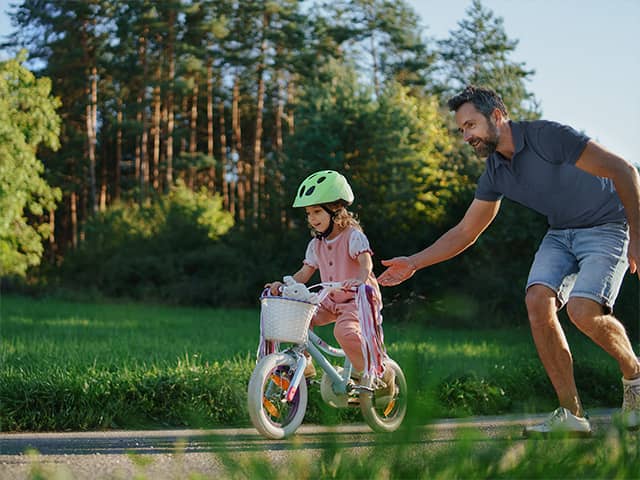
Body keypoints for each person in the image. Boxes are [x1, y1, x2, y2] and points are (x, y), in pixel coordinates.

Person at [378, 85, 640, 436]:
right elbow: (466, 231)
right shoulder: (496, 172)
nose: (466, 136)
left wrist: (636, 235)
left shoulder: (548, 137)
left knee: (582, 311)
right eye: (462, 130)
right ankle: (572, 413)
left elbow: (624, 171)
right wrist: (414, 262)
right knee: (536, 302)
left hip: (608, 225)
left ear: (497, 116)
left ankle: (634, 375)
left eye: (471, 125)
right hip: (561, 233)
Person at [265, 170, 394, 396]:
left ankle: (379, 373)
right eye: (308, 213)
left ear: (335, 211)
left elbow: (366, 264)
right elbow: (305, 273)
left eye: (317, 211)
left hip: (357, 299)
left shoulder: (352, 236)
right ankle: (303, 365)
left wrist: (359, 281)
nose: (312, 218)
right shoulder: (316, 244)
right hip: (330, 299)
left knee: (344, 332)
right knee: (300, 318)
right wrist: (284, 286)